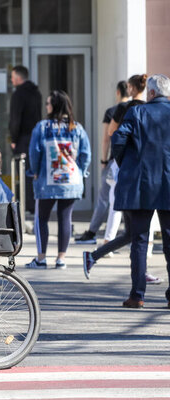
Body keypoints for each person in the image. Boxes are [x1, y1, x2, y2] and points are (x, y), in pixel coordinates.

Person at [83, 75, 161, 285]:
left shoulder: (130, 109)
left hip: (128, 174)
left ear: (130, 87)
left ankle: (95, 257)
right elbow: (115, 136)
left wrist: (113, 160)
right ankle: (137, 274)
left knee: (133, 234)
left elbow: (112, 135)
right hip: (134, 176)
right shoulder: (141, 110)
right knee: (137, 233)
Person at [110, 74, 170, 308]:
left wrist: (127, 164)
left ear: (152, 93)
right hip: (167, 183)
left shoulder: (137, 112)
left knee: (140, 241)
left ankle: (137, 295)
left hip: (141, 184)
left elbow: (118, 140)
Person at [25, 90, 91, 270]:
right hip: (70, 181)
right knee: (65, 219)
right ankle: (61, 258)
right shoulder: (76, 127)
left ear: (53, 106)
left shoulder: (42, 127)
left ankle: (41, 258)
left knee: (41, 219)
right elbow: (86, 154)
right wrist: (81, 172)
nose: (46, 106)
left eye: (48, 103)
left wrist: (35, 171)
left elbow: (35, 151)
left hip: (47, 181)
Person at [75, 81, 129, 244]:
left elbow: (107, 138)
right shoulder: (138, 108)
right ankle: (129, 234)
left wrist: (103, 160)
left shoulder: (114, 111)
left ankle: (93, 232)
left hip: (115, 160)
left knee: (105, 198)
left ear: (118, 92)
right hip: (133, 161)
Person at [9, 65, 42, 214]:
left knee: (23, 172)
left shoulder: (18, 94)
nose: (11, 79)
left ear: (17, 77)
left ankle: (27, 205)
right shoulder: (36, 93)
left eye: (12, 76)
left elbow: (15, 118)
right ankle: (34, 203)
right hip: (36, 137)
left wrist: (14, 138)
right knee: (33, 171)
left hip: (23, 138)